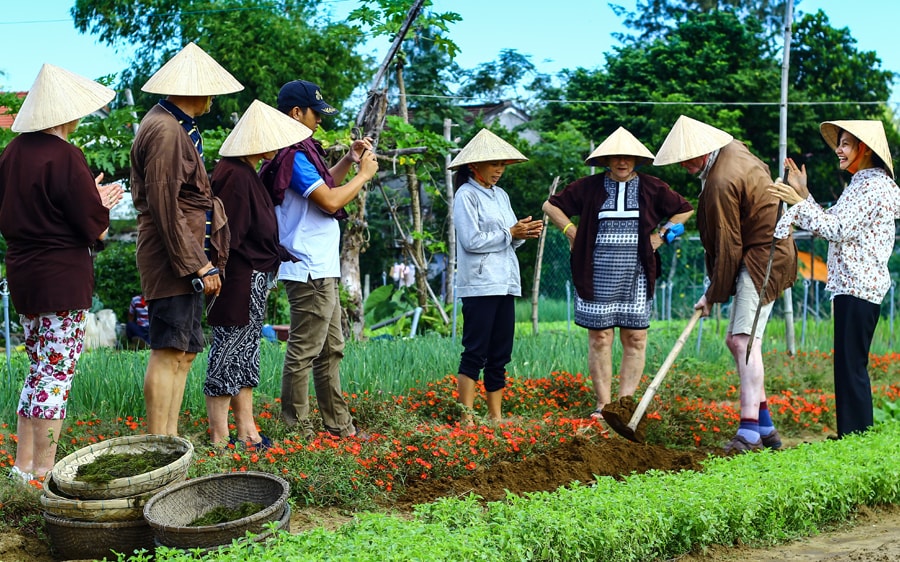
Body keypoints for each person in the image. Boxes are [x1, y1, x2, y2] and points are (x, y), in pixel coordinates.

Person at [0, 64, 123, 483]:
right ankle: (45, 469)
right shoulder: (66, 155)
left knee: (38, 368)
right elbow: (93, 225)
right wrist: (101, 201)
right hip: (61, 276)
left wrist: (91, 198)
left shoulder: (11, 153)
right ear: (65, 114)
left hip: (24, 273)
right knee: (55, 374)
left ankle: (23, 467)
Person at [654, 115, 798, 453]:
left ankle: (749, 432)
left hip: (764, 256)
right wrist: (714, 291)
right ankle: (765, 428)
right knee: (743, 340)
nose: (685, 165)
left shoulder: (721, 179)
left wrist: (712, 294)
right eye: (680, 159)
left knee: (741, 340)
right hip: (763, 251)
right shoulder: (731, 151)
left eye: (689, 157)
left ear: (705, 149)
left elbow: (728, 244)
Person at [542, 127, 693, 422]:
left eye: (627, 157)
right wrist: (570, 231)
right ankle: (603, 405)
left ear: (636, 160)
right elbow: (550, 205)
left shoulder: (652, 187)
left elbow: (683, 210)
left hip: (636, 271)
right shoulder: (588, 186)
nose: (622, 162)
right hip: (594, 271)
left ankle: (625, 405)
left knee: (635, 337)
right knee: (600, 337)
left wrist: (662, 235)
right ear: (607, 159)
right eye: (616, 157)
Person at [130, 42, 243, 436]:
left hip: (188, 253)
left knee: (184, 352)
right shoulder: (163, 129)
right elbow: (164, 204)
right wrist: (199, 262)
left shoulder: (178, 126)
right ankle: (158, 441)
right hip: (172, 256)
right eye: (209, 89)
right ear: (195, 90)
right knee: (168, 350)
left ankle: (171, 438)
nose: (213, 97)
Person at [769, 120, 900, 438]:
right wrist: (804, 194)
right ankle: (853, 434)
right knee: (849, 364)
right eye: (838, 144)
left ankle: (855, 437)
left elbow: (836, 230)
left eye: (845, 144)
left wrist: (799, 203)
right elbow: (832, 223)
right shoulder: (863, 184)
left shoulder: (872, 187)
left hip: (859, 284)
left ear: (864, 149)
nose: (838, 150)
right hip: (855, 284)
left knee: (851, 366)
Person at [272, 79, 378, 440]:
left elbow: (325, 187)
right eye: (315, 113)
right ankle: (296, 431)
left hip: (321, 267)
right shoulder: (293, 154)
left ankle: (338, 425)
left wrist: (349, 161)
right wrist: (363, 176)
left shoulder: (302, 152)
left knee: (331, 348)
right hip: (308, 268)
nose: (319, 120)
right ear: (296, 112)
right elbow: (331, 202)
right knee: (305, 350)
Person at [204, 99, 312, 449]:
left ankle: (246, 430)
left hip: (252, 276)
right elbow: (227, 236)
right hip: (238, 278)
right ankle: (220, 436)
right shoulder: (234, 175)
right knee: (228, 351)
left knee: (246, 352)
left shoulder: (245, 171)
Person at [449, 128, 543, 423]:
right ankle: (466, 417)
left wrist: (522, 233)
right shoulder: (465, 195)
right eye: (494, 164)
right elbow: (471, 241)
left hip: (505, 282)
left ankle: (495, 416)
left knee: (500, 352)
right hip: (479, 284)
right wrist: (509, 233)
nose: (500, 170)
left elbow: (509, 238)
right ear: (474, 166)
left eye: (503, 164)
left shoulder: (500, 195)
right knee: (475, 350)